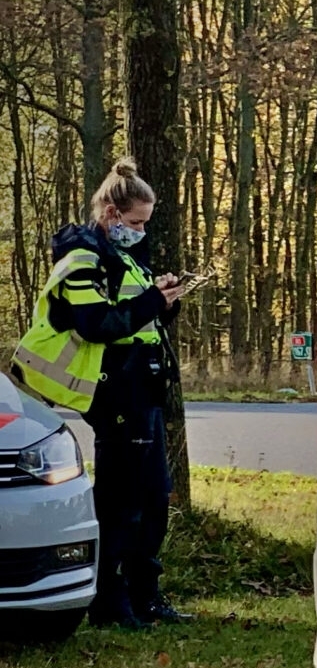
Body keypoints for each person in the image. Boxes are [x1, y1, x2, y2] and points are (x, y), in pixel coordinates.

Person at [9, 158, 193, 628]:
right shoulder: (81, 258)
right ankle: (109, 601)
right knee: (121, 500)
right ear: (111, 213)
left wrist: (163, 301)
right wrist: (152, 299)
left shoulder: (126, 255)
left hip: (143, 386)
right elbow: (98, 326)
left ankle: (144, 593)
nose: (140, 231)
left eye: (145, 224)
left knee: (154, 496)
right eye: (134, 222)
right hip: (113, 389)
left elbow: (137, 319)